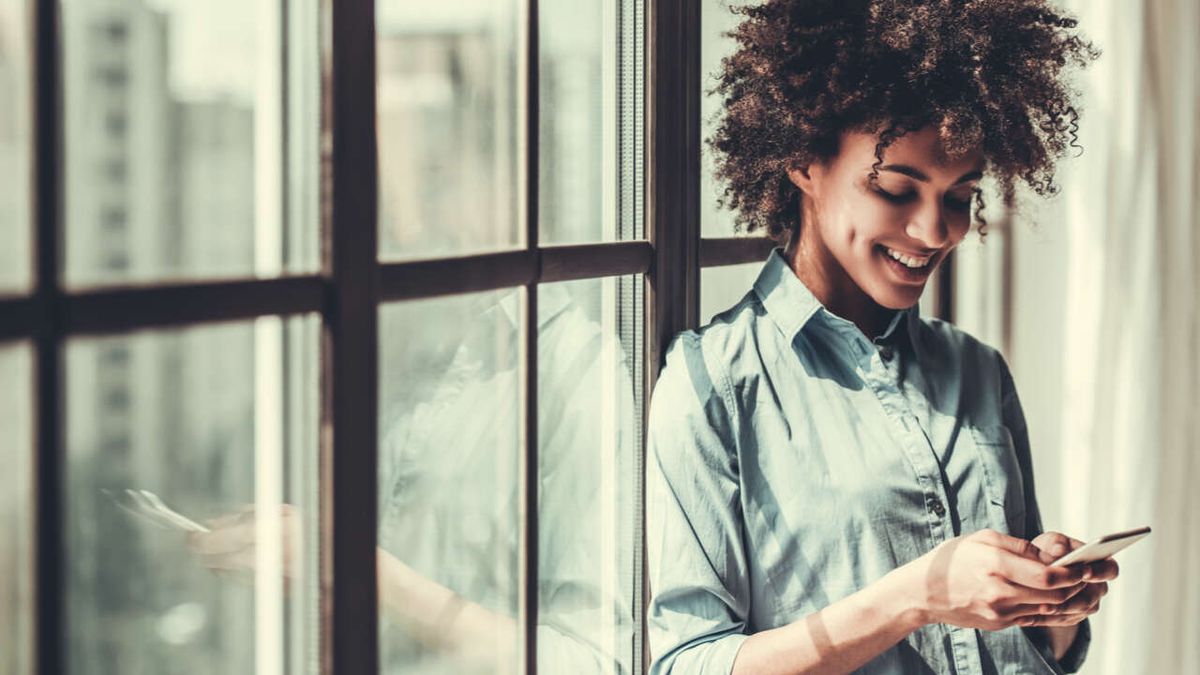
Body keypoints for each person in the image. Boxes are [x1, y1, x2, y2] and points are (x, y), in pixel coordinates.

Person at [647, 1, 1114, 674]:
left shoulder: (977, 372)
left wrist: (1050, 608)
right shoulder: (713, 386)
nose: (935, 231)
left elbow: (1031, 653)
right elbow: (687, 663)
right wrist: (915, 597)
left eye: (960, 197)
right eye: (897, 189)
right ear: (804, 162)